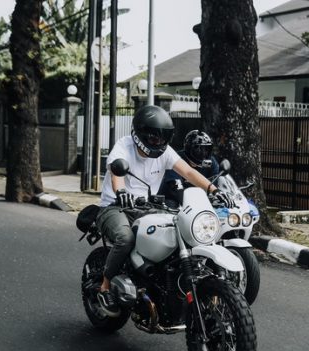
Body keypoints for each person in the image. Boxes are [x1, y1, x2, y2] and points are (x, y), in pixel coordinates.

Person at [95, 105, 234, 315]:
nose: (158, 142)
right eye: (154, 137)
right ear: (140, 134)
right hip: (116, 206)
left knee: (182, 231)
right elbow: (117, 173)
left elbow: (188, 172)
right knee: (125, 238)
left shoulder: (165, 151)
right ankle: (105, 286)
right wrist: (121, 192)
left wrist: (213, 189)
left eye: (163, 138)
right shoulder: (124, 146)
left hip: (148, 207)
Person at [158, 129, 220, 204]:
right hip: (172, 200)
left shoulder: (212, 163)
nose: (203, 153)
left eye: (206, 149)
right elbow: (176, 188)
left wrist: (217, 194)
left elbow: (213, 187)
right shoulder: (176, 159)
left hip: (201, 202)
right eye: (199, 149)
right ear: (189, 148)